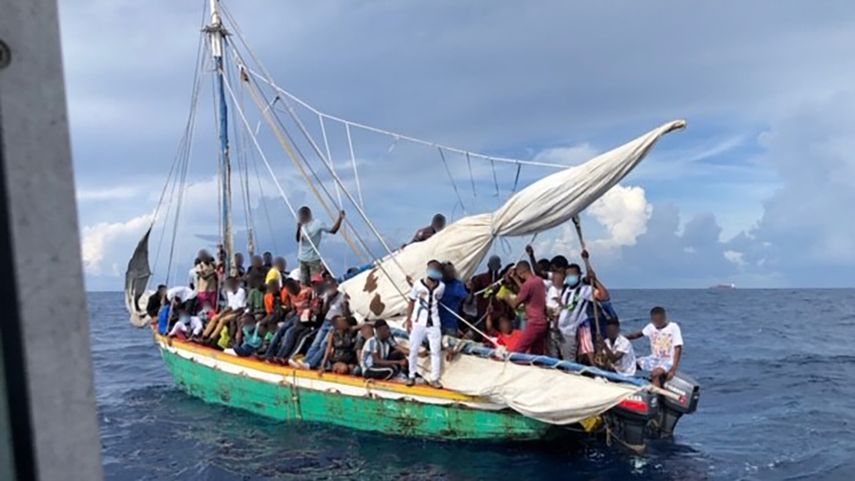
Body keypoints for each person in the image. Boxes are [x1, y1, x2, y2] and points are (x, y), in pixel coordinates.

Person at [557, 256, 609, 364]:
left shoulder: (584, 290)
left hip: (569, 332)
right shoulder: (565, 288)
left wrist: (595, 280)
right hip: (558, 331)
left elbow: (604, 296)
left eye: (573, 274)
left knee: (569, 359)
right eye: (568, 275)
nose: (570, 277)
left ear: (579, 275)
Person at [404, 260, 445, 388]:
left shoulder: (441, 286)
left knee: (436, 351)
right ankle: (411, 376)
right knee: (414, 350)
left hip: (434, 323)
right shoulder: (418, 284)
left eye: (437, 269)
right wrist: (408, 318)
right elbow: (411, 301)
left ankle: (435, 378)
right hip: (418, 322)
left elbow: (438, 299)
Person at [627, 306, 683, 387]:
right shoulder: (650, 327)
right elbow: (637, 334)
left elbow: (678, 348)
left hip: (667, 361)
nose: (657, 323)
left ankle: (655, 396)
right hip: (653, 359)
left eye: (659, 320)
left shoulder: (673, 327)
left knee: (655, 374)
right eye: (655, 320)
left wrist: (673, 369)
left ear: (664, 318)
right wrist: (623, 338)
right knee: (629, 365)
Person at [304, 278, 350, 368]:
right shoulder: (328, 296)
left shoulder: (342, 297)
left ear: (336, 286)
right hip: (326, 321)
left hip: (335, 323)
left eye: (331, 286)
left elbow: (346, 315)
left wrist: (345, 304)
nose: (330, 288)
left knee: (324, 344)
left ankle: (311, 363)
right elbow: (324, 311)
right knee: (316, 343)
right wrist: (328, 300)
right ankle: (306, 360)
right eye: (328, 287)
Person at [506, 261, 548, 354]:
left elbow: (514, 304)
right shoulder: (538, 280)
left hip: (534, 323)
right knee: (536, 353)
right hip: (543, 322)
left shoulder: (527, 285)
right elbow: (526, 291)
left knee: (518, 351)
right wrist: (515, 278)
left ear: (521, 273)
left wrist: (505, 296)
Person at [296, 206, 344, 284]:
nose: (300, 219)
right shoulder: (302, 226)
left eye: (302, 216)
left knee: (316, 281)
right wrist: (298, 228)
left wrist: (340, 218)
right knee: (304, 283)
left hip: (313, 259)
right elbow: (298, 239)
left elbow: (333, 230)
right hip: (302, 259)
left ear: (307, 215)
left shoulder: (317, 223)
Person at [202, 277, 246, 342]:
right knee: (215, 318)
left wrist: (229, 313)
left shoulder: (241, 291)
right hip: (231, 310)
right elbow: (230, 306)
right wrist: (222, 313)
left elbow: (241, 308)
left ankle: (211, 338)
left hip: (239, 312)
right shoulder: (229, 292)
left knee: (223, 320)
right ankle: (204, 336)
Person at [468, 255, 503, 322]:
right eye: (492, 265)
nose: (494, 268)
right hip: (482, 313)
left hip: (497, 314)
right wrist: (488, 290)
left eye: (496, 266)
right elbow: (473, 294)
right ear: (488, 265)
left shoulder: (501, 280)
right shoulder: (480, 278)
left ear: (499, 267)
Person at [438, 262, 468, 337]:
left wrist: (471, 290)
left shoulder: (457, 285)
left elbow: (467, 300)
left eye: (452, 271)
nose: (451, 274)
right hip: (436, 324)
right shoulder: (437, 284)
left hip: (450, 325)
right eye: (448, 272)